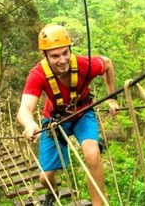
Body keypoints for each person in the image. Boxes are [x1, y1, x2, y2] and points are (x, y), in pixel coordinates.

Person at [17, 25, 119, 206]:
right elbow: (24, 109)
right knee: (45, 178)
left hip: (82, 113)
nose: (62, 60)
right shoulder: (38, 74)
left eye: (65, 53)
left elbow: (108, 63)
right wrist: (30, 124)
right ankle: (52, 190)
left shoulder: (83, 65)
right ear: (45, 55)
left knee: (92, 154)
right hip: (55, 121)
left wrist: (112, 98)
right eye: (55, 56)